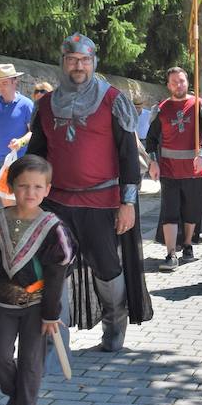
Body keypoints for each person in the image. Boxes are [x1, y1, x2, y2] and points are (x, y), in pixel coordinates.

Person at [27, 33, 152, 352]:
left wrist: (128, 202)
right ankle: (56, 334)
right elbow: (37, 157)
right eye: (72, 60)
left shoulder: (112, 99)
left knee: (107, 267)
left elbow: (127, 156)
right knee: (55, 266)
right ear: (63, 63)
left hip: (102, 201)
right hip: (57, 202)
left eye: (84, 60)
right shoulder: (45, 105)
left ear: (93, 62)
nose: (78, 66)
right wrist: (29, 198)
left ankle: (114, 321)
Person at [0, 154, 76, 405]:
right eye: (24, 186)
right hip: (4, 303)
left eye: (38, 187)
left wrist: (52, 314)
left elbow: (55, 277)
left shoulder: (52, 228)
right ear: (11, 187)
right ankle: (16, 397)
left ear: (47, 190)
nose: (31, 193)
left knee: (30, 362)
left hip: (38, 307)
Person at [145, 67, 202, 272]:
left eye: (181, 81)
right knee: (170, 212)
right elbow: (151, 140)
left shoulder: (199, 104)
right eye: (174, 82)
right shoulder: (162, 108)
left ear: (187, 82)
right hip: (169, 170)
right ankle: (171, 253)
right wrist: (152, 162)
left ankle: (188, 244)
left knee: (191, 212)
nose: (178, 85)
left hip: (194, 169)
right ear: (168, 85)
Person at [0, 64, 35, 207]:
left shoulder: (26, 105)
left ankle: (18, 228)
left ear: (14, 81)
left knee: (17, 201)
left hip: (19, 160)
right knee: (7, 203)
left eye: (4, 83)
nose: (0, 87)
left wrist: (20, 142)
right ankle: (14, 228)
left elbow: (33, 133)